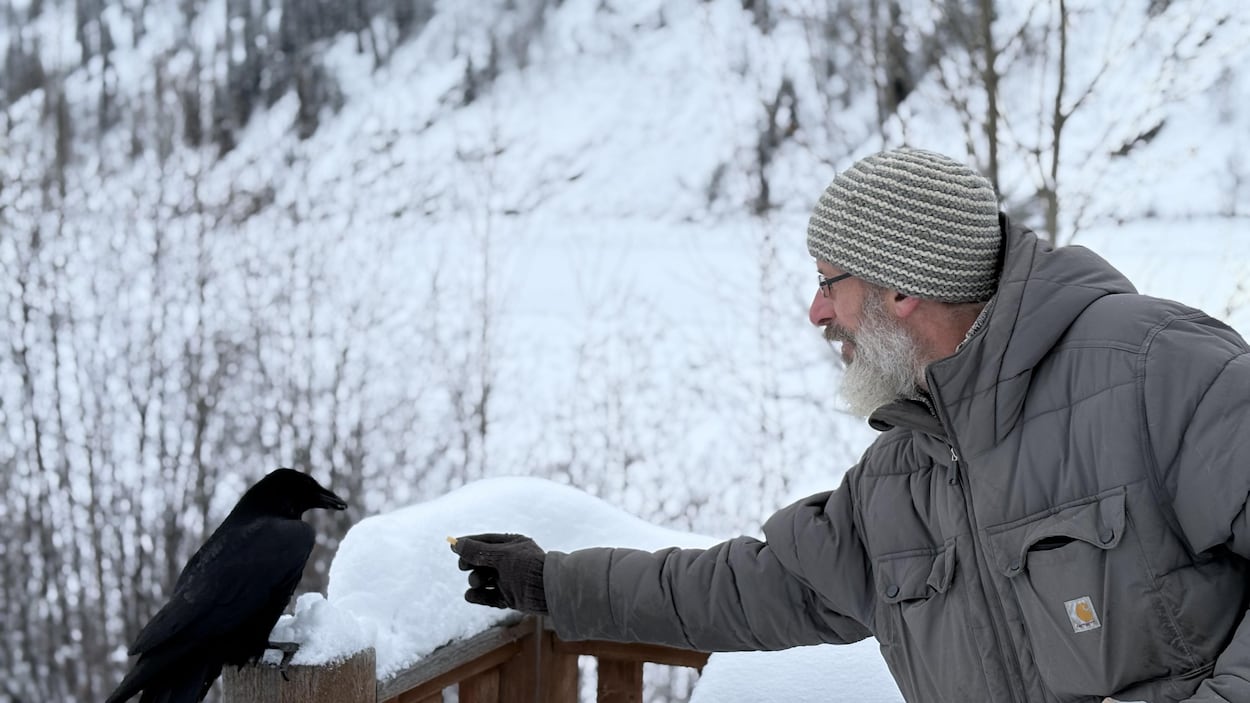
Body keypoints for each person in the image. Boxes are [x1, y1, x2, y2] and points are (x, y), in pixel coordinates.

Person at [451, 148, 1250, 703]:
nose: (816, 311)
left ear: (902, 288)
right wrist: (555, 583)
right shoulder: (902, 478)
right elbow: (752, 586)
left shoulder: (1154, 367)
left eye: (830, 281)